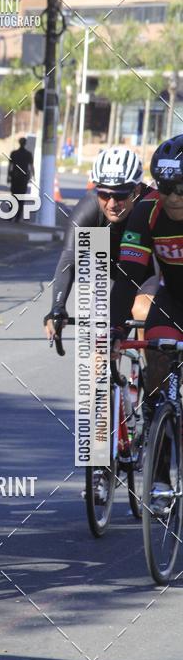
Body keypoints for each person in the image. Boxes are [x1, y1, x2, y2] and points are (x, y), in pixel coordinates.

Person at [111, 136, 183, 498]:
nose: (173, 198)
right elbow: (128, 275)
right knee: (157, 363)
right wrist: (114, 327)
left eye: (181, 189)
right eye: (166, 187)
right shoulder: (145, 211)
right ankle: (158, 473)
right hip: (173, 298)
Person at [45, 146, 156, 344]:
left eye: (121, 195)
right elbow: (69, 259)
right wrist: (58, 307)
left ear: (137, 190)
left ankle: (145, 369)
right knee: (100, 344)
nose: (112, 203)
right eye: (104, 195)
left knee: (143, 311)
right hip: (113, 276)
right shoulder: (89, 210)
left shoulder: (151, 206)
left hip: (150, 274)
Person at [8, 137, 35, 221]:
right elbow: (31, 166)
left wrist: (8, 177)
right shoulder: (28, 154)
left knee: (13, 196)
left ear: (19, 143)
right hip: (24, 178)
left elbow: (10, 166)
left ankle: (10, 215)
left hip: (15, 177)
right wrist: (34, 176)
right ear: (25, 143)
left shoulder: (14, 153)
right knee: (21, 197)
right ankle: (18, 217)